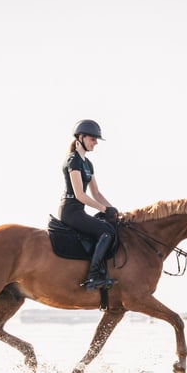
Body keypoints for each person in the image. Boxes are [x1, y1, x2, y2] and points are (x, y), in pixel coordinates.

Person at [59, 119, 119, 290]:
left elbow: (97, 193)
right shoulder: (73, 160)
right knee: (106, 232)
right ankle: (93, 276)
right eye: (93, 139)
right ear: (81, 137)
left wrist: (113, 210)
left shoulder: (88, 164)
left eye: (96, 139)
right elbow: (80, 194)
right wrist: (103, 209)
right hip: (70, 211)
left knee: (111, 224)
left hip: (79, 210)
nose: (96, 142)